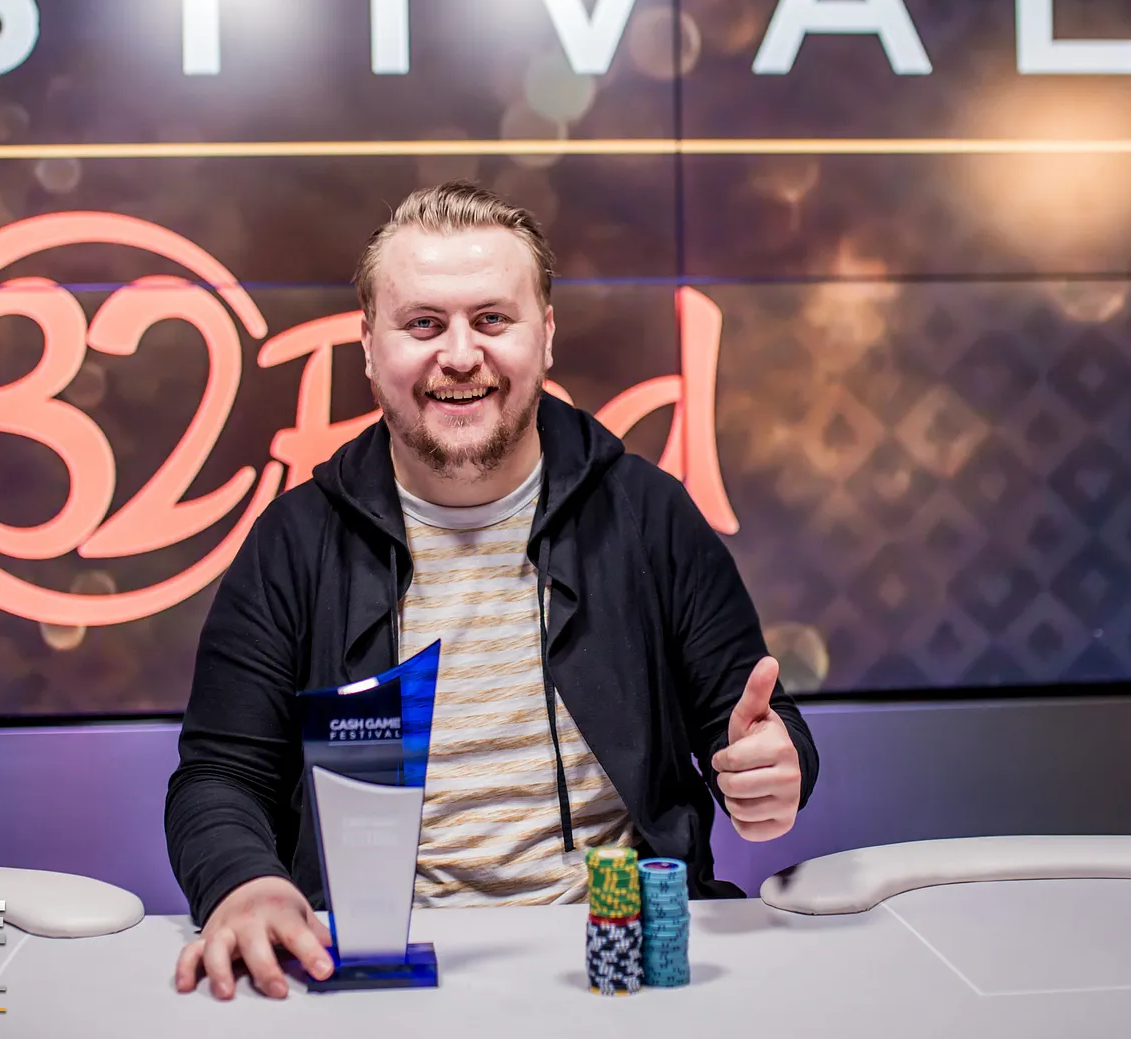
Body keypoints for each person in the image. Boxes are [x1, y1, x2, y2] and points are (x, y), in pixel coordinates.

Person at [166, 181, 820, 1000]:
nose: (460, 355)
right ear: (368, 346)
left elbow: (761, 728)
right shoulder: (294, 543)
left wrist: (773, 770)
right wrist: (245, 882)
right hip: (377, 973)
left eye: (492, 319)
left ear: (545, 335)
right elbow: (218, 779)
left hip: (613, 973)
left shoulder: (649, 514)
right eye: (423, 323)